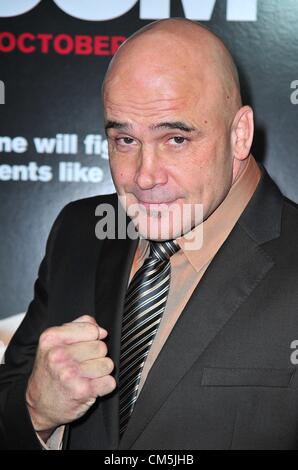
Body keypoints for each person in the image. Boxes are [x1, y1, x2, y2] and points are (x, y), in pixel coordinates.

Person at [1, 18, 298, 450]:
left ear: (240, 134)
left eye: (176, 139)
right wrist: (36, 409)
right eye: (125, 140)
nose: (144, 176)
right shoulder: (80, 230)